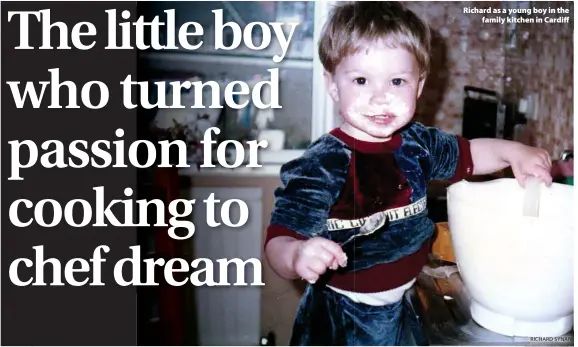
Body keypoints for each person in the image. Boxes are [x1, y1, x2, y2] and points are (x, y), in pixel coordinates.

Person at [264, 2, 553, 345]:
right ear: (332, 85)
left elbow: (471, 154)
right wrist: (297, 255)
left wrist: (512, 151)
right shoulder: (321, 165)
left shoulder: (420, 144)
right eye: (361, 80)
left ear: (417, 86)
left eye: (397, 81)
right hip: (343, 318)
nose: (380, 96)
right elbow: (278, 242)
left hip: (404, 304)